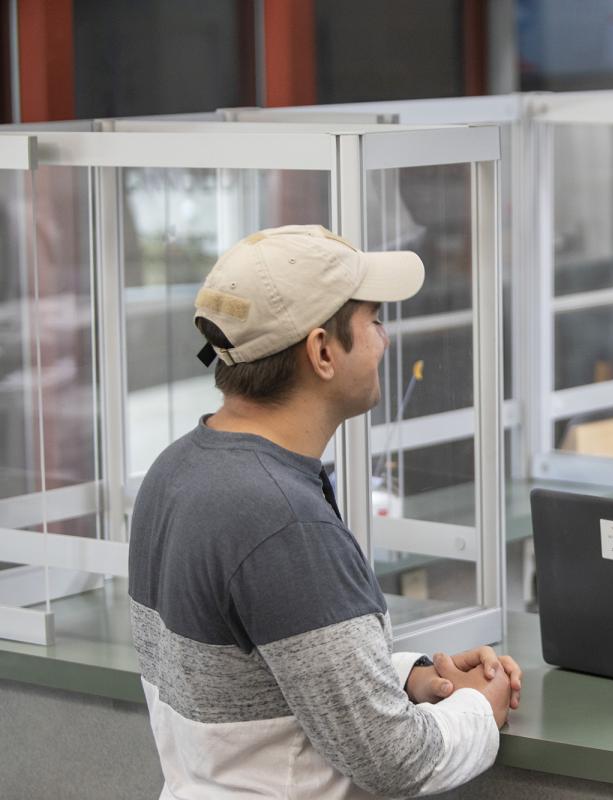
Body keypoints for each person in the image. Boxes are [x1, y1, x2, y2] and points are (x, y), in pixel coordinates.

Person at [128, 225, 522, 799]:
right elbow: (397, 762)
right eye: (374, 321)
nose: (385, 341)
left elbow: (255, 683)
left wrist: (408, 676)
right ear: (321, 352)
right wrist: (478, 709)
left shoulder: (174, 472)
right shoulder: (283, 521)